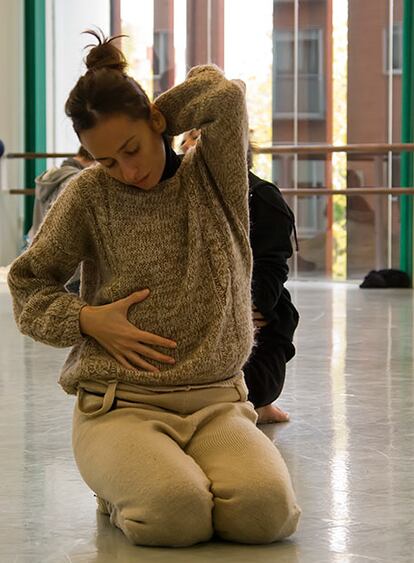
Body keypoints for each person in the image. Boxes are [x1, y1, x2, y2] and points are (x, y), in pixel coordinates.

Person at [8, 31, 300, 547]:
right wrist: (85, 319)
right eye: (107, 161)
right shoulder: (88, 196)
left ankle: (172, 473)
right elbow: (28, 282)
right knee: (175, 515)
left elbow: (224, 97)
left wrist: (145, 103)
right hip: (120, 403)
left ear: (157, 124)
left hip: (218, 402)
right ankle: (122, 488)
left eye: (132, 147)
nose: (130, 170)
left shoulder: (214, 176)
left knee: (266, 515)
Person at [181, 130, 299, 424]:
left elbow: (269, 270)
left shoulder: (261, 197)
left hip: (250, 328)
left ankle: (261, 402)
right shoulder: (177, 198)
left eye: (197, 144)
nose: (187, 151)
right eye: (185, 144)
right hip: (199, 324)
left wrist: (239, 315)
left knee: (238, 395)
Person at [28, 146, 94, 244]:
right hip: (56, 248)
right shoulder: (73, 180)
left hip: (39, 243)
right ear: (94, 160)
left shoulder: (53, 176)